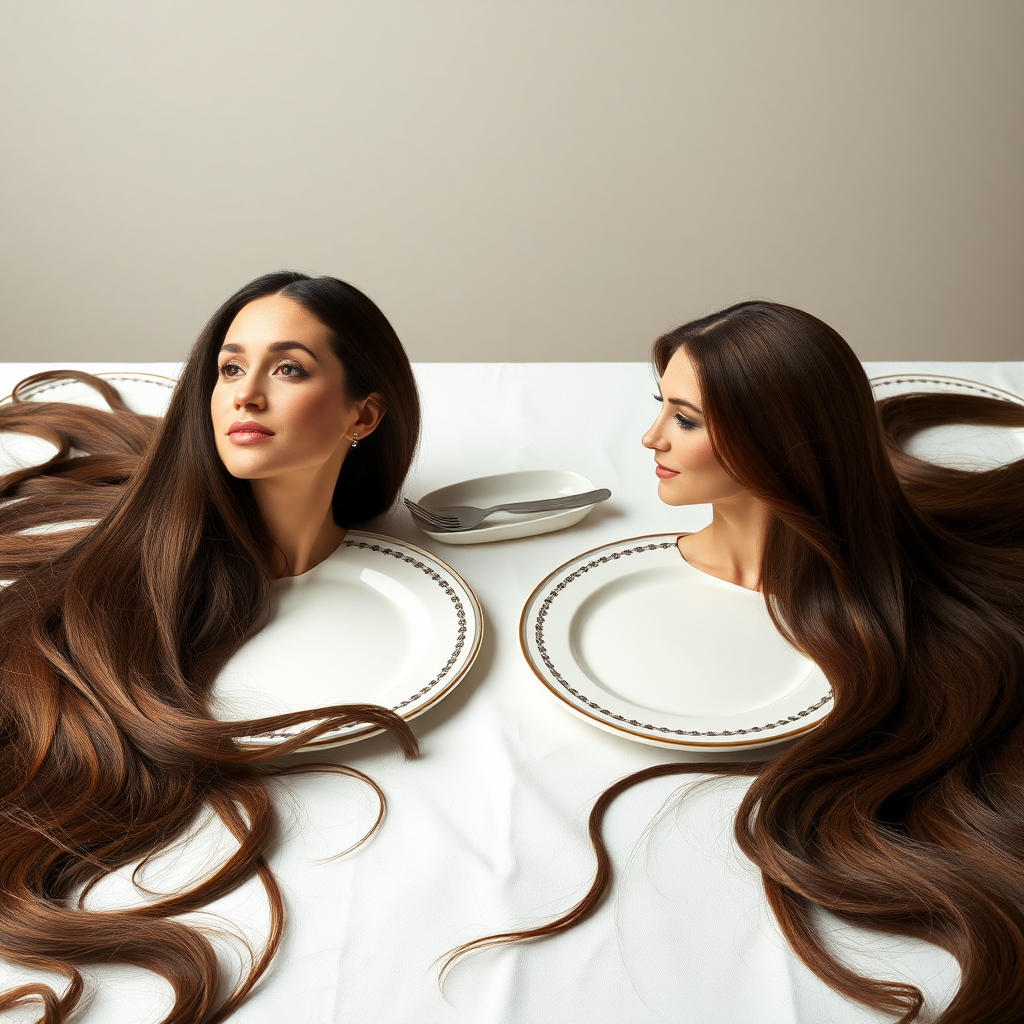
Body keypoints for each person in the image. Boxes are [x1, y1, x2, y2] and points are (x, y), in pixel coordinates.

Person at [446, 301, 1024, 1024]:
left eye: (684, 419)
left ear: (773, 443)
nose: (650, 436)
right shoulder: (596, 601)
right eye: (662, 406)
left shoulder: (880, 634)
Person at [0, 271, 421, 1023]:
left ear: (364, 414)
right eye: (230, 368)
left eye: (287, 368)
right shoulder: (135, 584)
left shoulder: (407, 606)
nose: (245, 395)